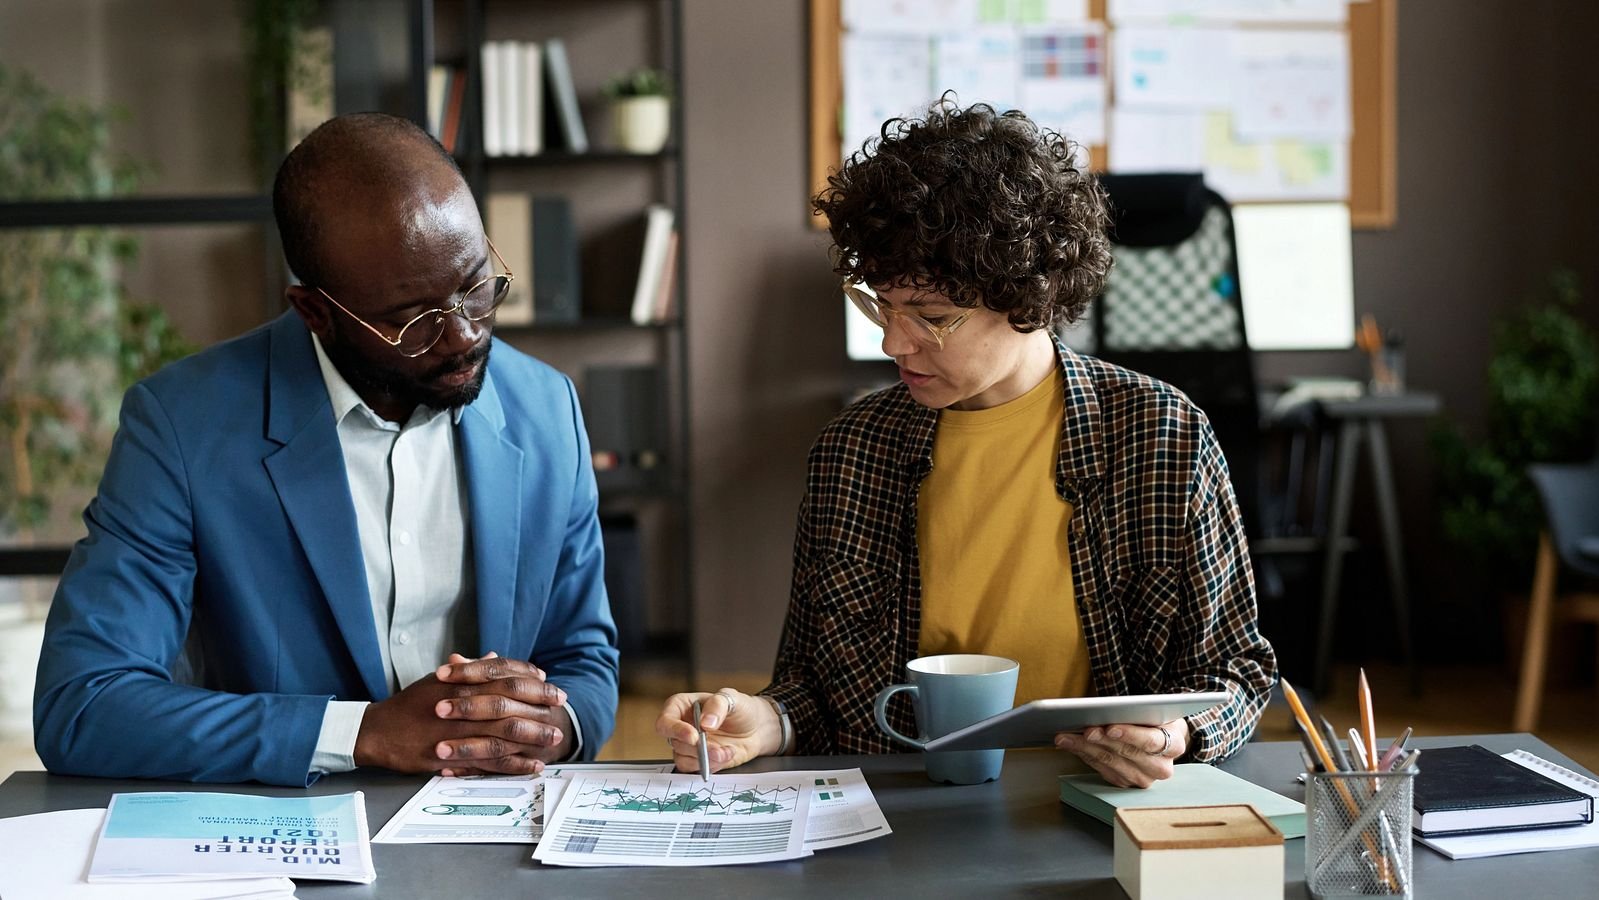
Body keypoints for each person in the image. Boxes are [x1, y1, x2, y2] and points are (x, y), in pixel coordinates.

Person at [658, 100, 1275, 789]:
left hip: (1097, 805)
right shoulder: (852, 451)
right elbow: (813, 689)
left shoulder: (1161, 435)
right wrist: (769, 720)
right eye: (880, 306)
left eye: (931, 318)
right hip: (903, 809)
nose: (892, 343)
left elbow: (1234, 672)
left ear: (1030, 298)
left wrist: (1175, 733)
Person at [33, 113, 619, 787]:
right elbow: (83, 704)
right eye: (412, 320)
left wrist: (544, 727)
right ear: (316, 311)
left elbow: (583, 658)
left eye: (475, 287)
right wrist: (366, 732)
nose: (462, 335)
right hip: (282, 847)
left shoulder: (546, 408)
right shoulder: (181, 426)